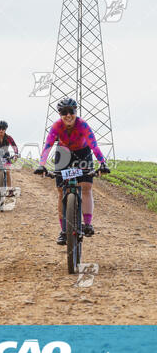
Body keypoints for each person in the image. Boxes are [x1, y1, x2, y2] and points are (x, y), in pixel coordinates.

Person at [34, 97, 110, 245]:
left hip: (83, 153)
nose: (68, 115)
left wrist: (102, 163)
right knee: (61, 191)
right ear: (60, 114)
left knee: (86, 187)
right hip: (63, 154)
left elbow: (94, 146)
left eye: (71, 112)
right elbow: (48, 146)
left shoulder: (83, 125)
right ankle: (64, 230)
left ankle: (87, 223)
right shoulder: (56, 126)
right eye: (64, 112)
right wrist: (41, 165)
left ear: (76, 112)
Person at [0, 121, 19, 196]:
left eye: (3, 128)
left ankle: (10, 190)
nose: (1, 130)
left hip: (6, 156)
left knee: (8, 172)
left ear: (5, 129)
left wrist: (16, 154)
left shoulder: (9, 138)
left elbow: (14, 146)